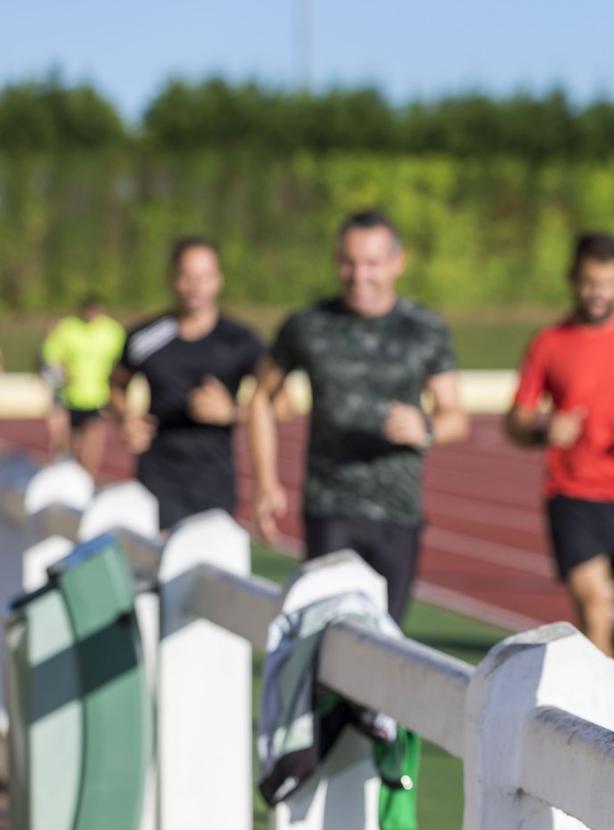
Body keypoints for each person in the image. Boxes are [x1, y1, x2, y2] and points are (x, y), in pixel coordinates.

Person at [248, 210, 469, 622]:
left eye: (372, 263)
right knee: (328, 637)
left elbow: (455, 416)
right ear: (337, 260)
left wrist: (425, 427)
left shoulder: (424, 329)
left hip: (399, 511)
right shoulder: (309, 326)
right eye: (349, 262)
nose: (358, 275)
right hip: (330, 505)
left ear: (396, 263)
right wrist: (265, 482)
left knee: (386, 641)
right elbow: (260, 397)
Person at [506, 233, 614, 670]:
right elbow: (516, 420)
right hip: (573, 493)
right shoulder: (549, 343)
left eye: (607, 283)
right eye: (588, 282)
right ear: (572, 279)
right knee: (594, 608)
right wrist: (546, 428)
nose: (597, 293)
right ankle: (599, 719)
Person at [110, 237, 265, 530]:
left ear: (218, 280)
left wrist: (233, 412)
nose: (195, 286)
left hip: (214, 480)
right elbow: (115, 385)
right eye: (187, 277)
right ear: (172, 279)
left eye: (204, 277)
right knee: (160, 567)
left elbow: (282, 403)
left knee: (208, 569)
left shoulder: (240, 340)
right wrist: (126, 418)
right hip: (158, 476)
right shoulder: (146, 337)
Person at [41, 296, 126, 477]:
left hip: (98, 395)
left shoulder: (112, 331)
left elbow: (124, 360)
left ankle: (88, 476)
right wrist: (62, 372)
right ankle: (70, 471)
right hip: (71, 395)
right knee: (70, 441)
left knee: (93, 437)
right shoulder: (68, 328)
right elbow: (50, 354)